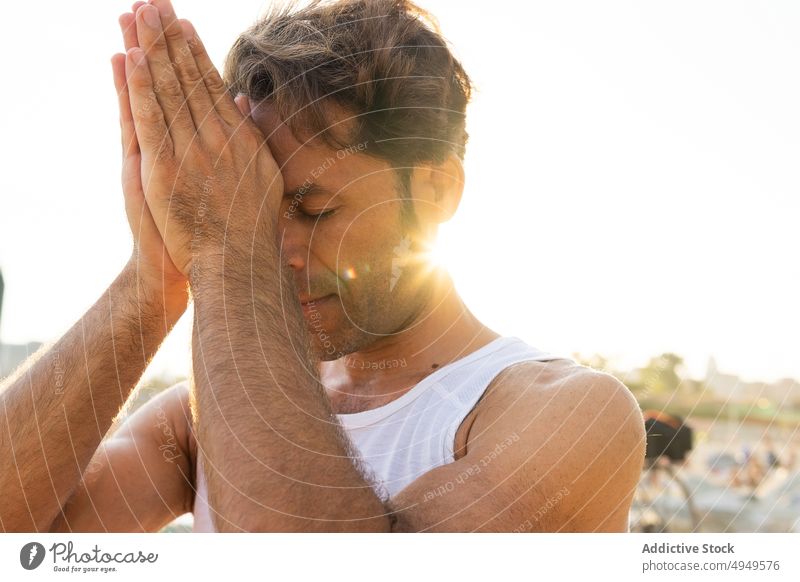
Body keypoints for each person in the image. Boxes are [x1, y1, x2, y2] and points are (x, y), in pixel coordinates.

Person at [0, 0, 645, 533]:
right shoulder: (201, 416)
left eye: (312, 209)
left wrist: (227, 254)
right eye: (251, 209)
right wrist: (153, 281)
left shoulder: (563, 414)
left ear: (439, 190)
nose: (273, 250)